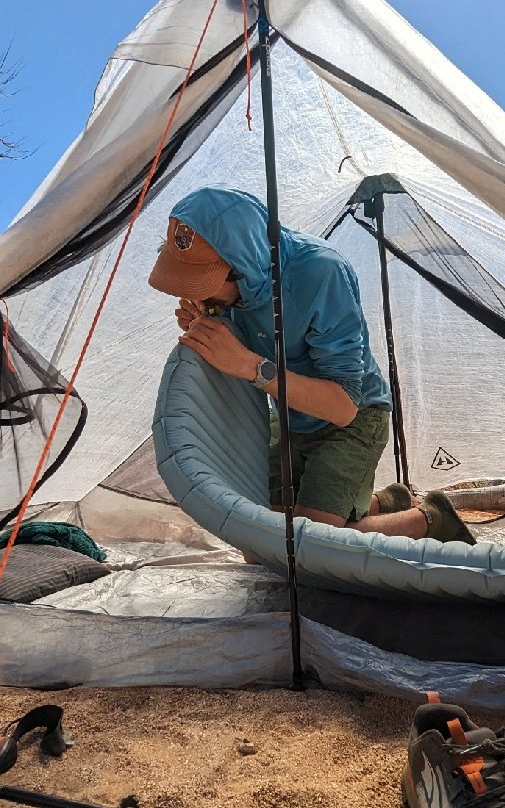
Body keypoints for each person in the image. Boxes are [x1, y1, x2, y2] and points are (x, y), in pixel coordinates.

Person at [147, 185, 474, 544]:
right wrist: (212, 322)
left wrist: (250, 365)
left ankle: (430, 518)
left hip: (355, 418)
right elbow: (252, 334)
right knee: (259, 543)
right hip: (290, 415)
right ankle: (386, 502)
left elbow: (343, 407)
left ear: (244, 265)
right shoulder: (241, 285)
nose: (193, 294)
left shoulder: (321, 273)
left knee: (308, 543)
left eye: (203, 284)